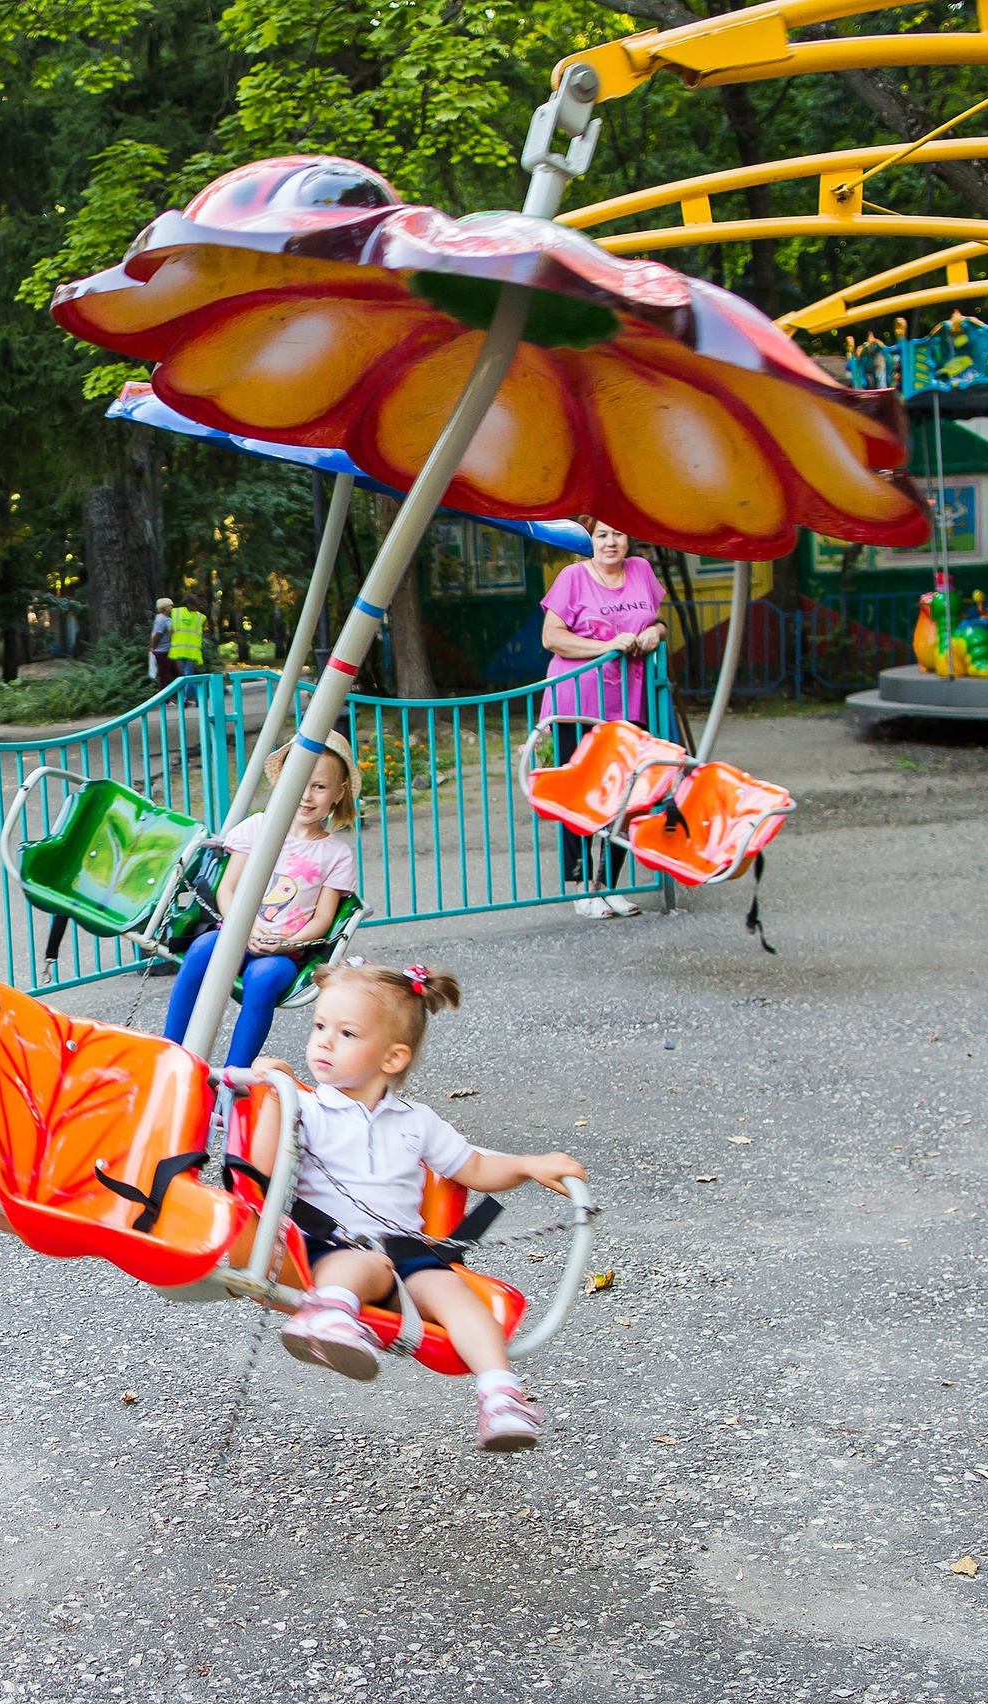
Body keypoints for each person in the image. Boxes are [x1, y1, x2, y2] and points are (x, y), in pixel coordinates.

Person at [246, 961, 585, 1452]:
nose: (323, 1041)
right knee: (365, 1263)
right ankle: (330, 1314)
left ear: (392, 1057)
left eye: (346, 1033)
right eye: (319, 1026)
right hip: (327, 1246)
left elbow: (473, 1168)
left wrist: (529, 1165)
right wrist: (273, 1098)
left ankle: (500, 1395)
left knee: (455, 1295)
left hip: (408, 1253)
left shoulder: (417, 1122)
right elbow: (263, 1173)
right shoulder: (307, 1108)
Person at [161, 732, 358, 1069]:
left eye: (320, 787)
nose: (307, 796)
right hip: (236, 932)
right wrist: (244, 928)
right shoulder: (257, 827)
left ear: (338, 794)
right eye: (300, 782)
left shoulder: (336, 854)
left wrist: (286, 943)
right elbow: (228, 890)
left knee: (264, 977)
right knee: (204, 949)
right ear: (284, 780)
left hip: (286, 950)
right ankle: (170, 1054)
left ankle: (232, 1078)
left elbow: (324, 918)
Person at [538, 518, 665, 919]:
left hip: (629, 700)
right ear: (588, 539)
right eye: (602, 534)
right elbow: (552, 637)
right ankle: (579, 887)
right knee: (581, 793)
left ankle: (606, 883)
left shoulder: (642, 570)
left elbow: (657, 619)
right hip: (577, 701)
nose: (611, 542)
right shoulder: (573, 577)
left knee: (628, 796)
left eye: (619, 533)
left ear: (630, 538)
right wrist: (606, 644)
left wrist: (656, 632)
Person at [167, 597, 206, 678]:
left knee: (181, 675)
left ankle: (187, 691)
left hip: (178, 648)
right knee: (188, 674)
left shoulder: (175, 612)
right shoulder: (200, 617)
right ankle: (193, 691)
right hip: (192, 650)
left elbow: (170, 629)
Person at [150, 596, 175, 684]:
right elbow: (156, 635)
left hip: (169, 651)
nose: (172, 607)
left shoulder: (168, 619)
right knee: (165, 676)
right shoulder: (161, 619)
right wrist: (153, 647)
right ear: (164, 607)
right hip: (162, 651)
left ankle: (179, 695)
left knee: (178, 675)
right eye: (169, 606)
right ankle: (164, 696)